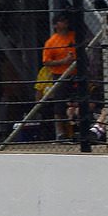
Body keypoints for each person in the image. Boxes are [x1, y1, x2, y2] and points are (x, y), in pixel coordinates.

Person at [42, 12, 76, 140]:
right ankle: (60, 132)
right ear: (56, 25)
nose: (65, 22)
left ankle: (75, 131)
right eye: (61, 21)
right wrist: (63, 61)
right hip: (60, 75)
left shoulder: (74, 36)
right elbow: (46, 61)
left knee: (76, 103)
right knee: (60, 105)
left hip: (76, 73)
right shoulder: (51, 42)